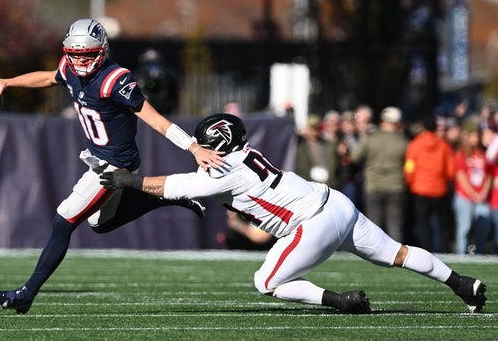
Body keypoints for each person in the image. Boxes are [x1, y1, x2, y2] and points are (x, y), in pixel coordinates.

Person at [100, 113, 487, 314]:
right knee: (397, 253)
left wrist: (127, 181)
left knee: (265, 282)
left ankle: (342, 302)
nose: (199, 152)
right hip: (336, 204)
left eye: (203, 146)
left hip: (312, 223)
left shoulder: (222, 169)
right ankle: (461, 283)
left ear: (217, 143)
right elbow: (203, 191)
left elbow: (176, 186)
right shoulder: (244, 157)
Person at [0, 19, 223, 314]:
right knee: (99, 224)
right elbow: (48, 77)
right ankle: (170, 196)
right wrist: (8, 82)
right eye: (75, 53)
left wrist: (194, 147)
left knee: (63, 220)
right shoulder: (70, 68)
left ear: (102, 50)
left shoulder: (115, 79)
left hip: (116, 164)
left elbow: (156, 120)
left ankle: (26, 293)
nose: (80, 59)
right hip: (98, 158)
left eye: (87, 53)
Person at [350, 107, 409, 242]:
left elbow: (355, 158)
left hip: (373, 185)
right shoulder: (403, 142)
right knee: (395, 226)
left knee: (374, 225)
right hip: (396, 186)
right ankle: (396, 257)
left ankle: (373, 256)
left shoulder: (370, 138)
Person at [403, 115, 456, 253]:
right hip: (439, 189)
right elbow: (451, 171)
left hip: (420, 189)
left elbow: (409, 168)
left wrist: (412, 183)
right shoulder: (444, 146)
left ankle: (426, 250)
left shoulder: (415, 144)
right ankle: (444, 250)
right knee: (442, 225)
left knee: (423, 224)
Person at [452, 120, 491, 254]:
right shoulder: (461, 154)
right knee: (465, 227)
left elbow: (489, 174)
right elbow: (461, 176)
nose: (477, 138)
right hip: (465, 196)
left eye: (478, 135)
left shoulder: (483, 153)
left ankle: (478, 253)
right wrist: (473, 194)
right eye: (474, 135)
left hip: (481, 197)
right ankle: (461, 254)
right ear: (467, 136)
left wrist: (484, 192)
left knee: (484, 225)